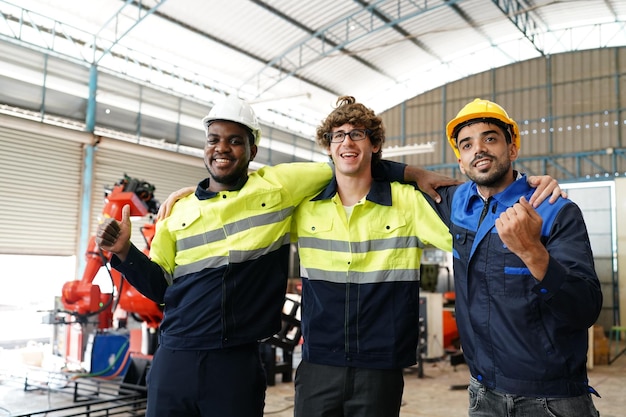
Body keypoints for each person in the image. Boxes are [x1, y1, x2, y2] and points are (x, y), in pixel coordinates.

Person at [94, 95, 460, 417]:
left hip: (238, 363)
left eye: (235, 141)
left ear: (252, 150)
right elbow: (159, 287)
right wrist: (125, 252)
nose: (222, 148)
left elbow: (349, 165)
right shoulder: (179, 212)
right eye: (214, 140)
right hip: (177, 357)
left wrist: (412, 173)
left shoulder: (280, 189)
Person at [433, 98, 602, 416]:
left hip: (550, 400)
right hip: (482, 394)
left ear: (512, 149)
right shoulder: (456, 204)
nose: (479, 149)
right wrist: (413, 172)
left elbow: (585, 309)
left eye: (490, 138)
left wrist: (532, 252)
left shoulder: (554, 209)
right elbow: (376, 172)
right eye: (467, 144)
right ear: (460, 161)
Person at [290, 96, 453, 416]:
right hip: (318, 364)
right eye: (337, 134)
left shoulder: (407, 201)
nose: (346, 141)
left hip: (380, 368)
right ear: (328, 147)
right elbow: (248, 200)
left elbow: (468, 235)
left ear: (375, 144)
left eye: (357, 133)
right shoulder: (304, 207)